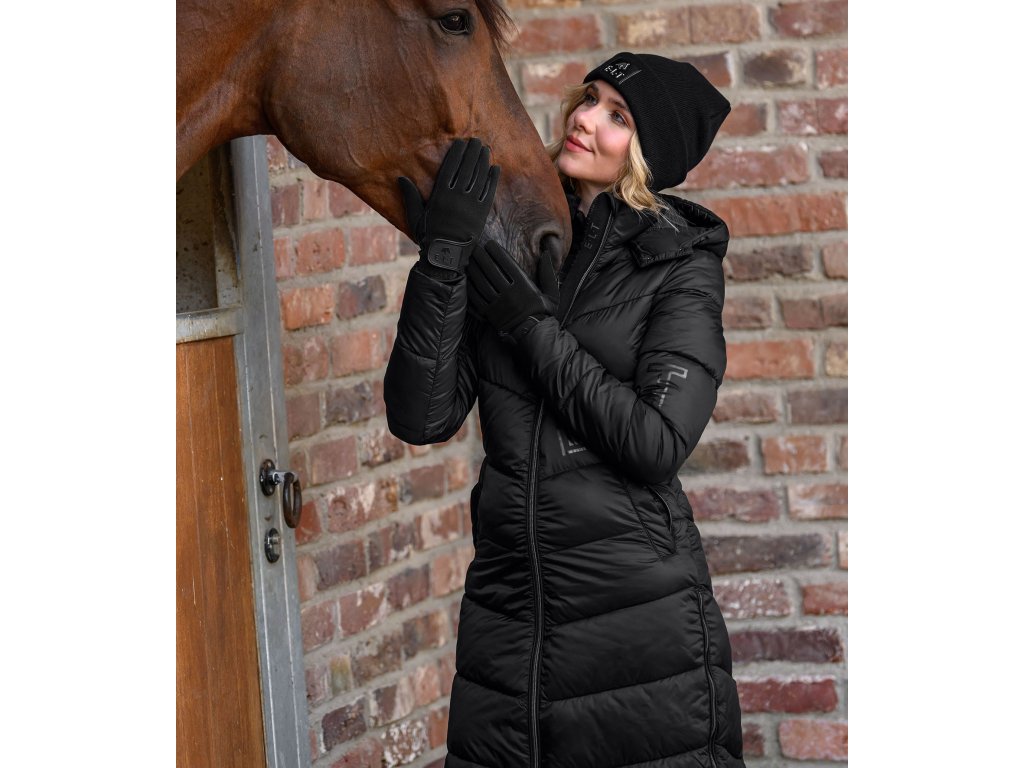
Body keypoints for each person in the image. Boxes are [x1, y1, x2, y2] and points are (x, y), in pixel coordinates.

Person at [385, 51, 745, 768]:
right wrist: (444, 259)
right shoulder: (515, 242)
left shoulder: (679, 266)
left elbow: (656, 442)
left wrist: (531, 327)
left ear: (648, 154)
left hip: (635, 620)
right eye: (589, 98)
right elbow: (421, 416)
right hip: (509, 613)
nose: (584, 119)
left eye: (617, 116)